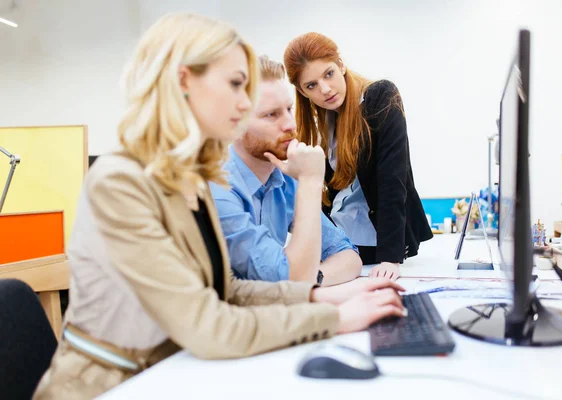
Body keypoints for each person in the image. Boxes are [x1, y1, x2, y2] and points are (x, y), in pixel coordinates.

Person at [33, 14, 407, 400]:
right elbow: (206, 324)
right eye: (235, 85)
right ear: (183, 83)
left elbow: (223, 290)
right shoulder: (121, 182)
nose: (245, 104)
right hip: (111, 385)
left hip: (172, 370)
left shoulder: (187, 176)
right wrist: (335, 318)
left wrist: (322, 296)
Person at [283, 32, 433, 281]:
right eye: (311, 85)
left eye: (328, 74)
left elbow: (392, 179)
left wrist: (390, 259)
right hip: (337, 244)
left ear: (341, 64)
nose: (325, 89)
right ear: (302, 91)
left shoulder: (379, 98)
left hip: (376, 247)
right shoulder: (322, 121)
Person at [209, 55, 362, 286]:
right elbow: (286, 277)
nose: (290, 124)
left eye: (289, 109)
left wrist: (313, 279)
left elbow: (347, 255)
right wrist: (311, 181)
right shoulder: (217, 189)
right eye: (271, 114)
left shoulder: (283, 180)